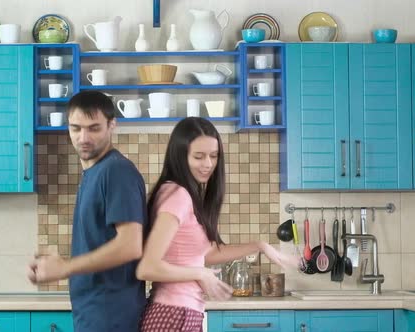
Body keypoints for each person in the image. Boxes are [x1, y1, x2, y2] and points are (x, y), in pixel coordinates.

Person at [136, 117, 297, 332]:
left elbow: (207, 254)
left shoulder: (183, 194)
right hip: (173, 315)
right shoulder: (178, 195)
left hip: (181, 313)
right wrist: (201, 273)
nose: (208, 164)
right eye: (198, 156)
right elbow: (147, 268)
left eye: (213, 156)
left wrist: (261, 246)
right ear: (180, 156)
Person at [28, 91, 147, 332]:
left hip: (111, 317)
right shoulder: (94, 173)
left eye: (94, 128)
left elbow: (130, 245)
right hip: (94, 314)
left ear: (112, 125)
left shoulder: (116, 172)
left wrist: (64, 267)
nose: (83, 138)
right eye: (76, 128)